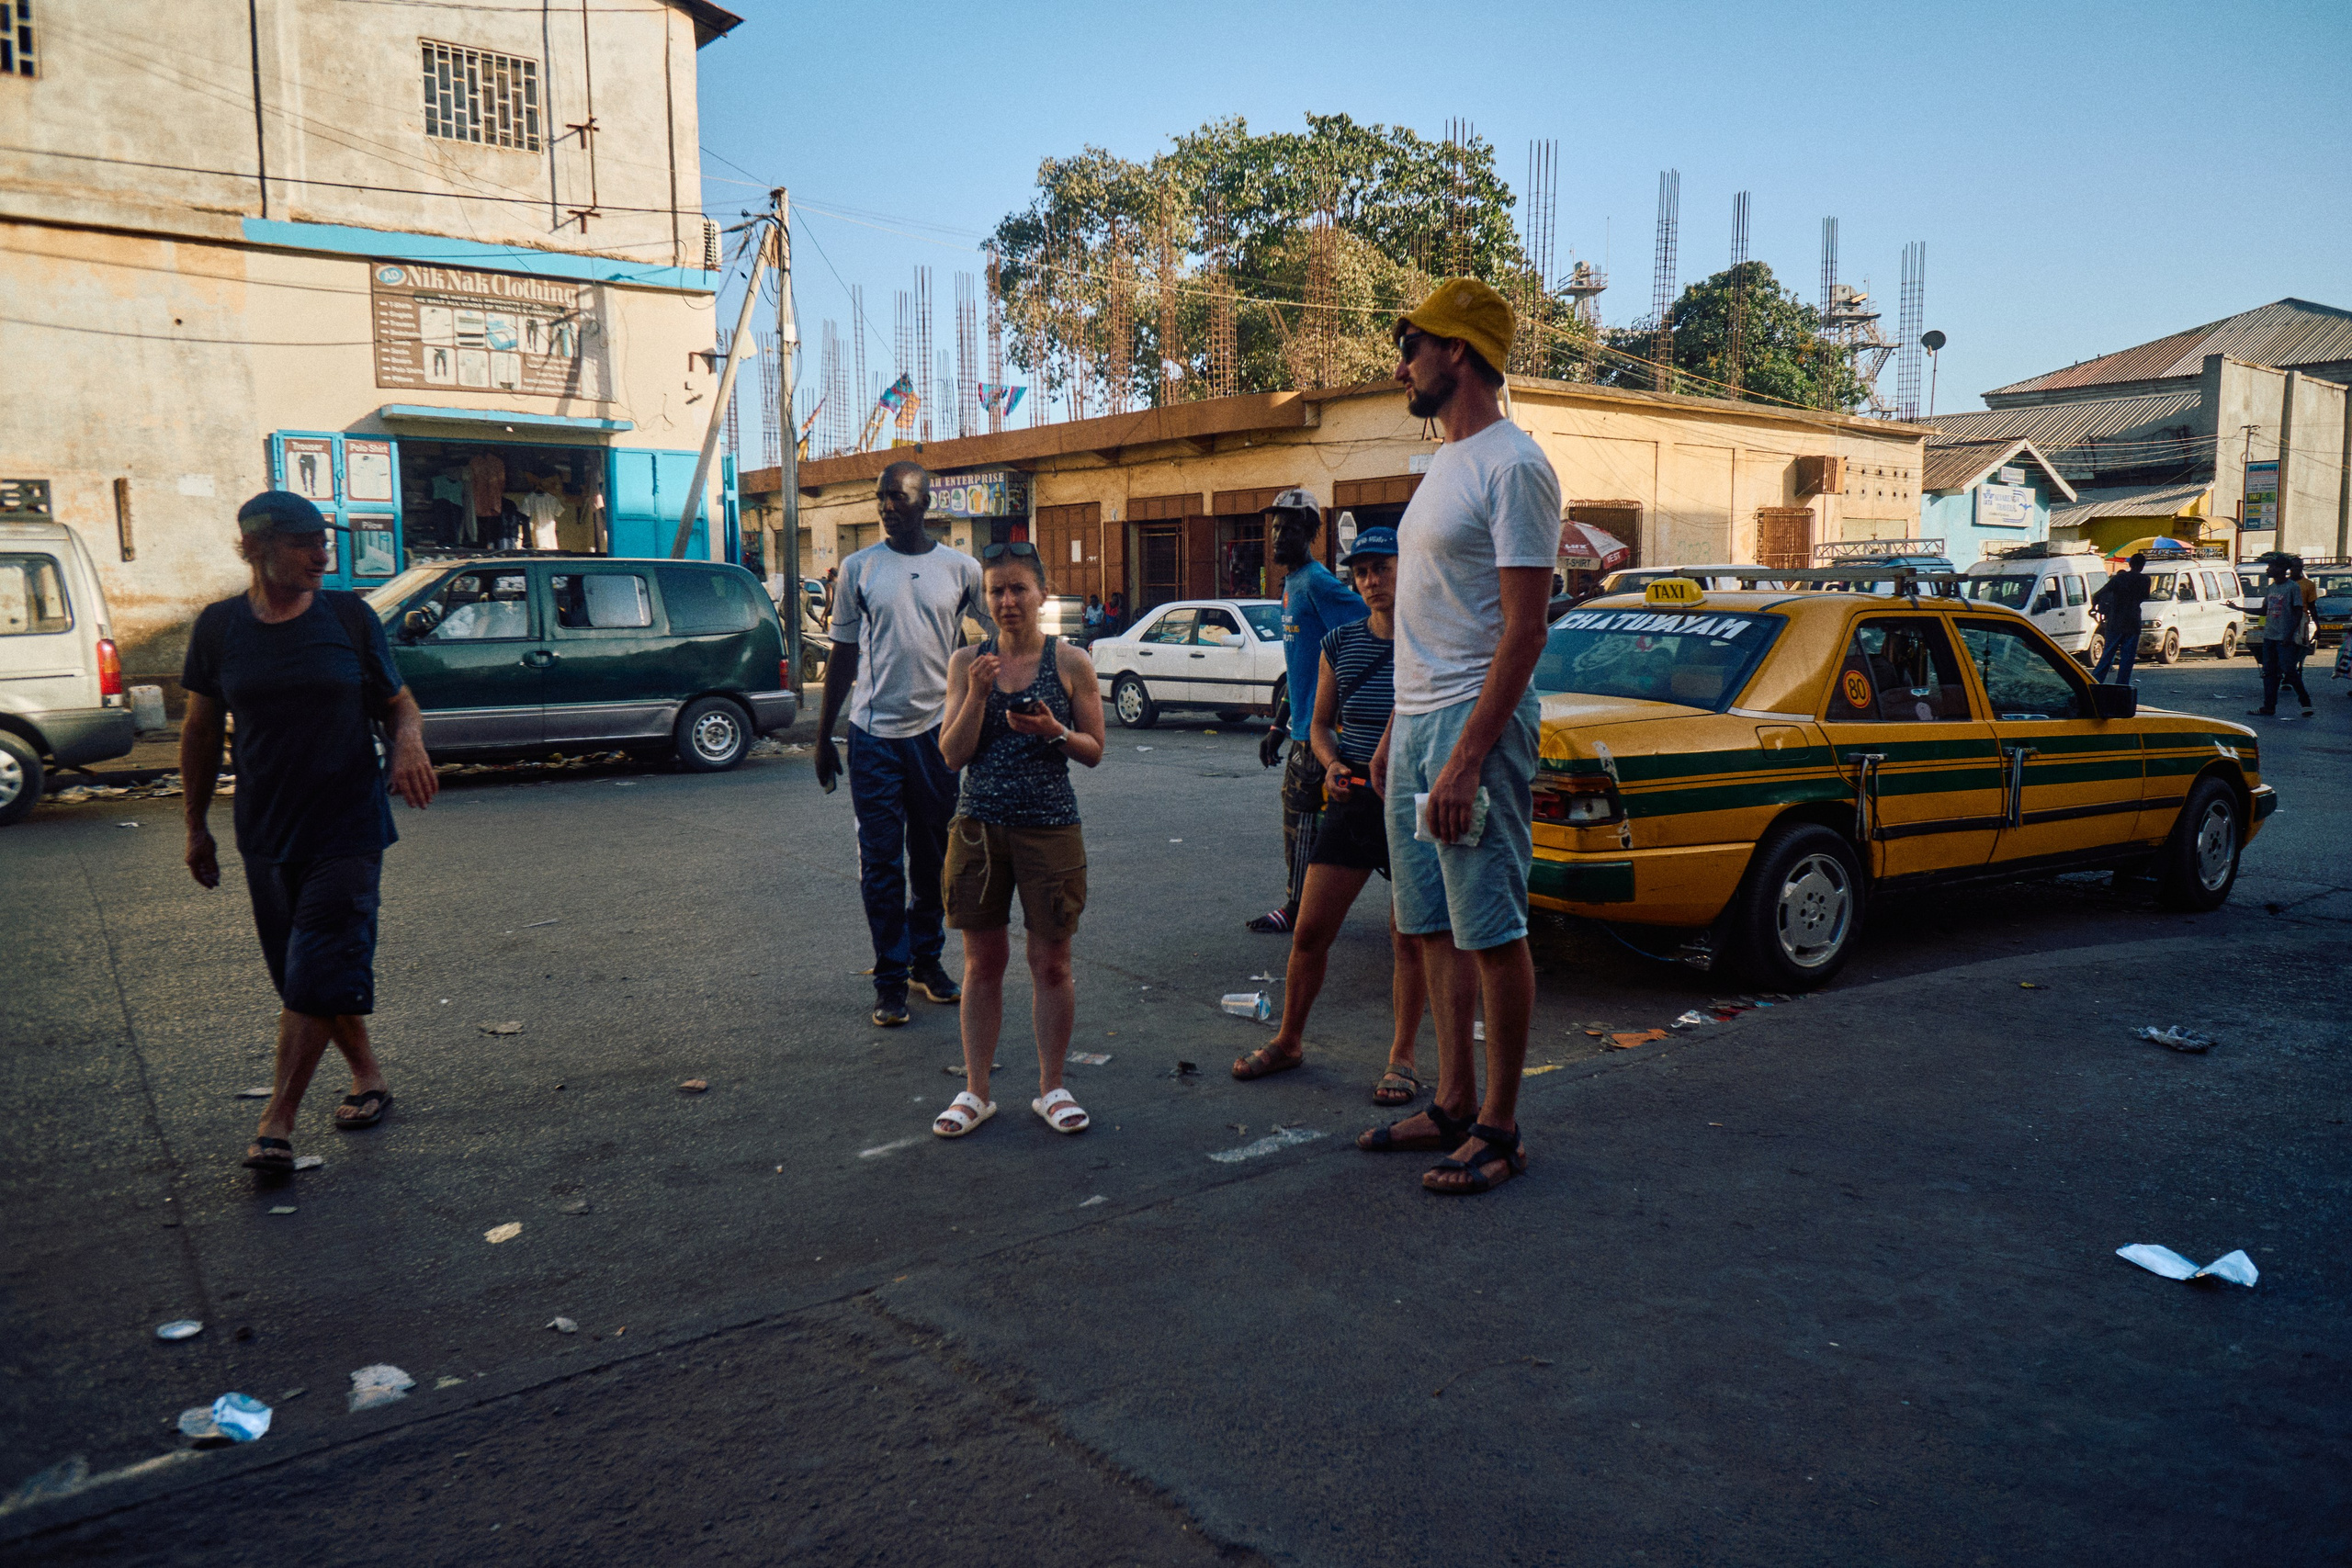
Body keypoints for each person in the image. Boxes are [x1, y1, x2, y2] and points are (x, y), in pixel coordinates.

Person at [1357, 278, 1561, 1197]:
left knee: (1489, 925)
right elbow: (1431, 613)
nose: (1402, 360)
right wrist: (1399, 726)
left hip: (1474, 721)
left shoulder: (1514, 464)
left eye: (1414, 343)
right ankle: (1451, 1101)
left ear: (1459, 353)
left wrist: (1467, 752)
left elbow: (1525, 628)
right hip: (1420, 719)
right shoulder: (1444, 462)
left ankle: (1502, 1128)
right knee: (1431, 924)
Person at [180, 491, 438, 1173]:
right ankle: (369, 1076)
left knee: (320, 959)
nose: (324, 554)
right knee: (299, 973)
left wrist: (408, 740)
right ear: (256, 549)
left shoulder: (348, 617)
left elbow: (397, 700)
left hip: (348, 823)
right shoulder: (219, 628)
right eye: (305, 543)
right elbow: (201, 730)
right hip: (265, 830)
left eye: (325, 540)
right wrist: (194, 825)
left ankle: (277, 1124)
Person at [1230, 527, 1458, 1103]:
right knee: (1309, 930)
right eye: (1361, 572)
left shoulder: (1430, 641)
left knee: (1408, 935)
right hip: (1354, 795)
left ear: (1408, 570)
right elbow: (1320, 722)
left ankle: (1402, 1059)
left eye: (1382, 567)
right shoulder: (1341, 641)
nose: (1372, 581)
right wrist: (1330, 763)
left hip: (1411, 798)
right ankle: (1288, 1039)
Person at [930, 542, 1108, 1138]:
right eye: (996, 589)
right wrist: (979, 693)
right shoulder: (966, 663)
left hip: (1050, 827)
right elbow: (951, 755)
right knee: (983, 964)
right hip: (979, 828)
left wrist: (1055, 730)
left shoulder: (1071, 662)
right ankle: (975, 1090)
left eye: (1018, 589)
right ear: (985, 596)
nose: (1006, 600)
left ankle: (1052, 1085)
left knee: (1051, 963)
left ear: (1041, 594)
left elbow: (1094, 751)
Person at [816, 462, 990, 1026]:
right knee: (882, 865)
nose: (887, 505)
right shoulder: (859, 568)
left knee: (934, 859)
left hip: (937, 738)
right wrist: (825, 735)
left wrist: (985, 707)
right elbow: (842, 654)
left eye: (897, 495)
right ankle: (889, 978)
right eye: (880, 497)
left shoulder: (961, 569)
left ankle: (925, 962)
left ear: (925, 499)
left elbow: (1002, 632)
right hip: (873, 737)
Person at [1248, 489, 1367, 934]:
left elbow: (1366, 626)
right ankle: (1305, 905)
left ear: (1313, 535)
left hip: (1319, 735)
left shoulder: (1317, 583)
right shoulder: (1292, 584)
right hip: (1299, 729)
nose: (1280, 536)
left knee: (1301, 821)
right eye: (1276, 528)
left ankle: (1298, 911)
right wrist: (1278, 725)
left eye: (1291, 528)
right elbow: (1298, 664)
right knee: (1309, 821)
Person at [2248, 556, 2315, 717]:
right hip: (2269, 636)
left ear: (2280, 569)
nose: (2267, 569)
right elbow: (2264, 611)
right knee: (2269, 672)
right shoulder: (2271, 588)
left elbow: (2298, 612)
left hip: (2284, 638)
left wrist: (2289, 634)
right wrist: (2238, 608)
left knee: (2289, 671)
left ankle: (2306, 703)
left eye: (2271, 566)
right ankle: (2268, 707)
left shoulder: (2292, 588)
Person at [2090, 553, 2152, 683]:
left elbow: (2098, 595)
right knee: (2127, 659)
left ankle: (2095, 682)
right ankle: (2122, 686)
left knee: (2107, 656)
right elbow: (2144, 596)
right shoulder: (2145, 580)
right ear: (2142, 566)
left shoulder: (2119, 579)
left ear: (2130, 564)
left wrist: (2095, 607)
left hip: (2115, 622)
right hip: (2133, 623)